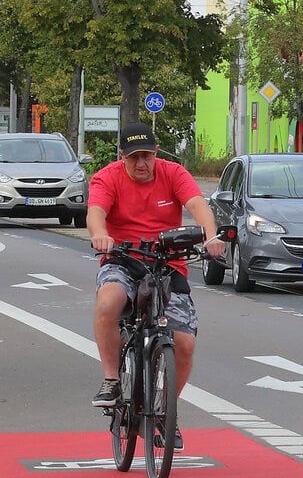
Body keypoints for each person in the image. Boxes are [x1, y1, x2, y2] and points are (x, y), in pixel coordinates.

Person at [87, 122, 225, 451]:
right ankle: (112, 380)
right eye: (134, 157)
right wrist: (100, 235)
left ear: (156, 153)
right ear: (122, 157)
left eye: (147, 156)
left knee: (184, 342)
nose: (141, 164)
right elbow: (95, 212)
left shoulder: (173, 173)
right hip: (122, 258)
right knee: (109, 303)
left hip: (166, 264)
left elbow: (197, 206)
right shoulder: (107, 178)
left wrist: (211, 236)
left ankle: (166, 410)